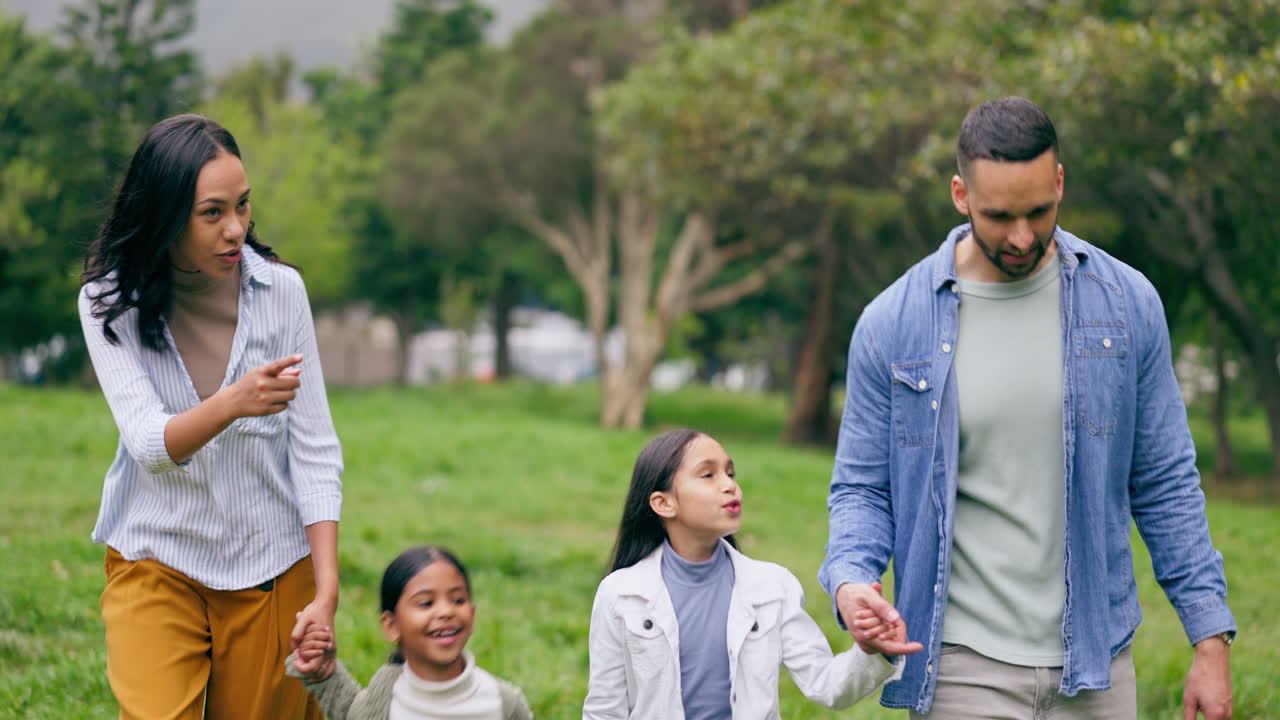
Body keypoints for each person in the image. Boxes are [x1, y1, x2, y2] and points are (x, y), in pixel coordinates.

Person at [820, 96, 1236, 719]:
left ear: (1060, 182)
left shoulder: (1126, 305)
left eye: (1040, 212)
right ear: (961, 196)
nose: (1022, 237)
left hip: (1096, 662)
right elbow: (860, 488)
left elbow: (1166, 482)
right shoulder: (892, 325)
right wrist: (852, 580)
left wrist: (1210, 641)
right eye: (1000, 216)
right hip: (959, 666)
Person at [79, 113, 344, 719]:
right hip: (157, 557)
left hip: (272, 564)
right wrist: (234, 403)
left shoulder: (281, 293)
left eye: (243, 207)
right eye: (212, 213)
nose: (235, 229)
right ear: (166, 215)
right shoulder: (107, 304)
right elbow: (149, 443)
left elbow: (315, 451)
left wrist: (325, 590)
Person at [584, 428, 914, 720]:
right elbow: (605, 709)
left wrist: (871, 651)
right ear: (664, 503)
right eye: (708, 475)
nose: (730, 486)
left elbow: (827, 686)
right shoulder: (620, 594)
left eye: (730, 473)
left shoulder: (773, 587)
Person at [288, 545, 533, 720]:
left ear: (473, 613)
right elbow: (351, 712)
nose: (446, 611)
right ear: (392, 626)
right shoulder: (385, 698)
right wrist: (322, 672)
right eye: (426, 603)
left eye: (458, 600)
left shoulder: (504, 701)